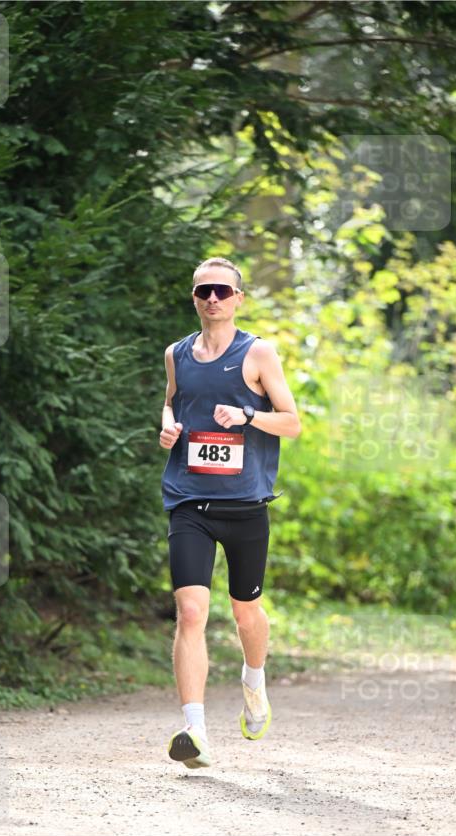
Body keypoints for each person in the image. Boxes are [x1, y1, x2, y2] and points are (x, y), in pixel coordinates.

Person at [159, 256, 301, 769]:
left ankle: (253, 681)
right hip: (189, 500)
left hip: (244, 504)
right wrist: (168, 424)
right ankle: (194, 731)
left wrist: (247, 415)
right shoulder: (177, 354)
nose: (213, 298)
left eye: (222, 290)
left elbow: (292, 423)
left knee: (245, 612)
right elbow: (172, 401)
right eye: (204, 291)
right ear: (194, 298)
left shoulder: (258, 352)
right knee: (191, 611)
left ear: (238, 298)